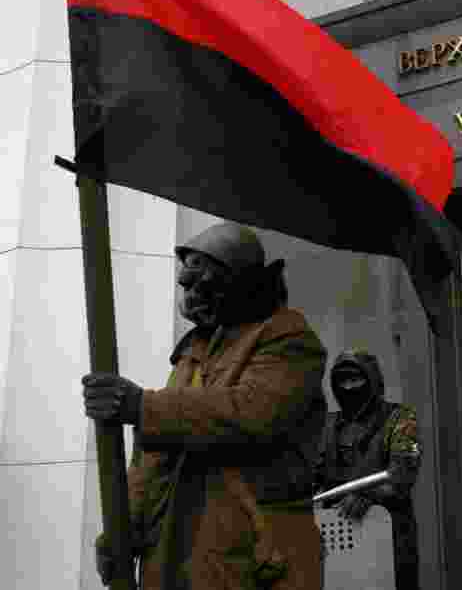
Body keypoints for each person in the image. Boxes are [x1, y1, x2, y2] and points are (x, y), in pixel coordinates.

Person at [82, 222, 327, 589]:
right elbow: (155, 457)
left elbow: (250, 414)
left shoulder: (288, 339)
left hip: (252, 561)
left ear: (239, 282)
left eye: (204, 286)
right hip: (178, 558)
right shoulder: (193, 351)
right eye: (188, 286)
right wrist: (123, 528)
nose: (193, 297)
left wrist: (143, 406)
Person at [315, 350, 421, 590]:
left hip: (388, 531)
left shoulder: (400, 418)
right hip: (337, 532)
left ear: (373, 380)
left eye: (356, 379)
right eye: (342, 381)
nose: (349, 388)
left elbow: (403, 474)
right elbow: (312, 477)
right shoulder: (328, 425)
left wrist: (369, 494)